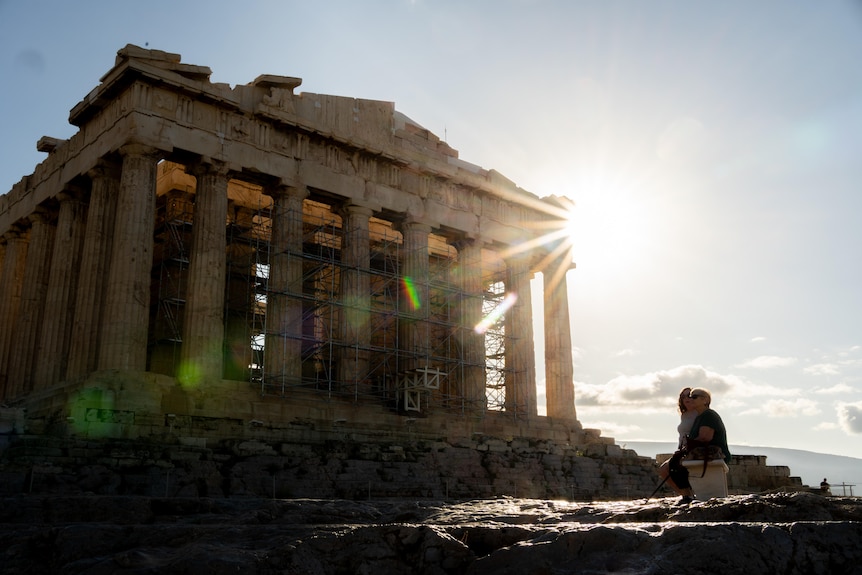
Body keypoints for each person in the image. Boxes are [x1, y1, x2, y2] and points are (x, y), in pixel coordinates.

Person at [657, 388, 697, 500]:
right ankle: (686, 495)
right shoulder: (684, 415)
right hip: (682, 448)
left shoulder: (698, 413)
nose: (686, 399)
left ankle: (687, 495)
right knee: (663, 470)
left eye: (689, 395)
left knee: (669, 469)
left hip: (691, 448)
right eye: (683, 397)